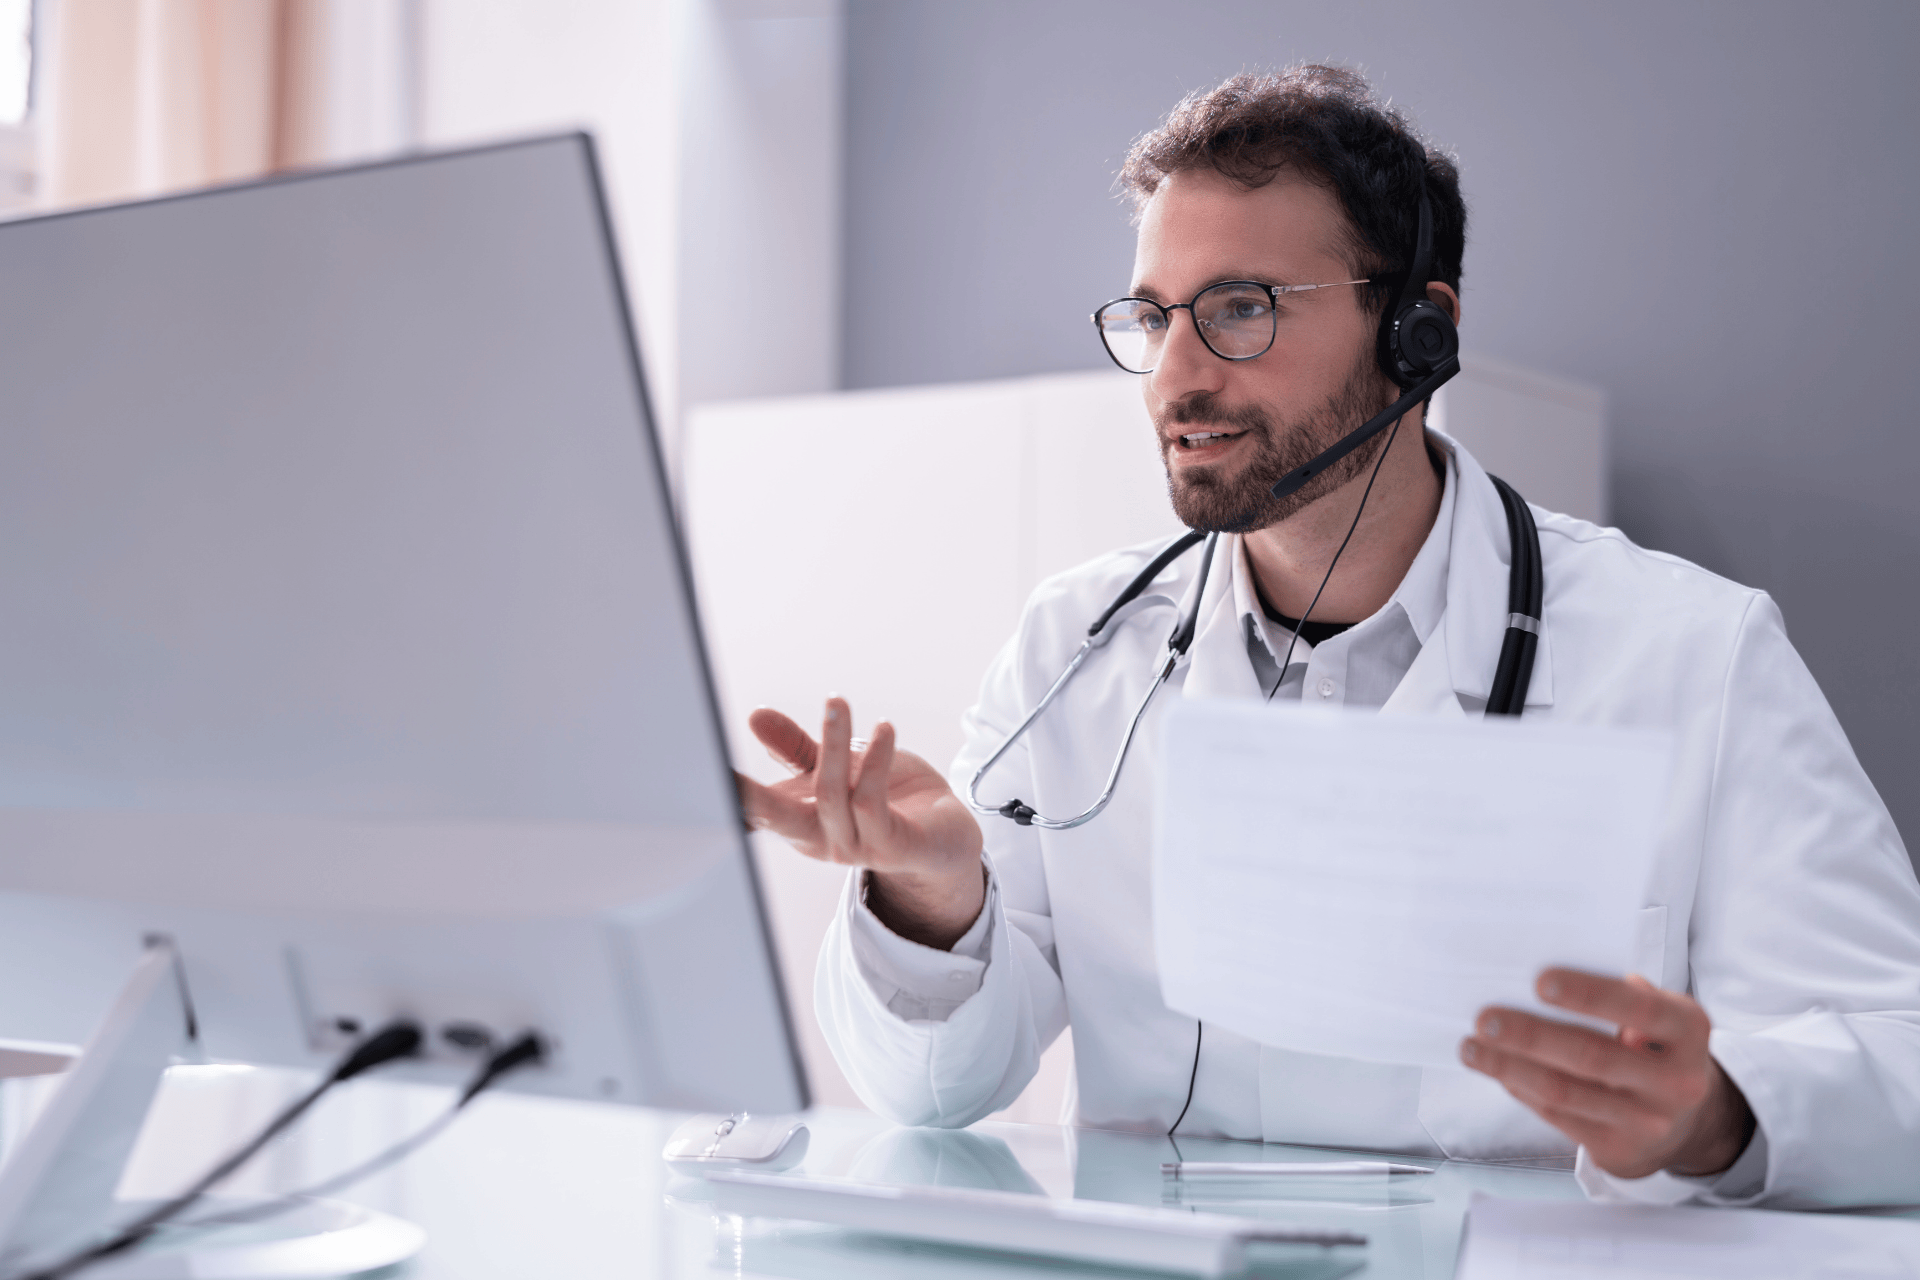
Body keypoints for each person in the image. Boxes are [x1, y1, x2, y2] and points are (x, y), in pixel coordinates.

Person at [737, 65, 1920, 1208]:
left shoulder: (1696, 655)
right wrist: (935, 899)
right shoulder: (1077, 649)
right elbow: (933, 1091)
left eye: (1240, 309)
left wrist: (1719, 1112)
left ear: (1419, 330)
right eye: (1154, 317)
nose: (1175, 378)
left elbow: (1899, 1055)